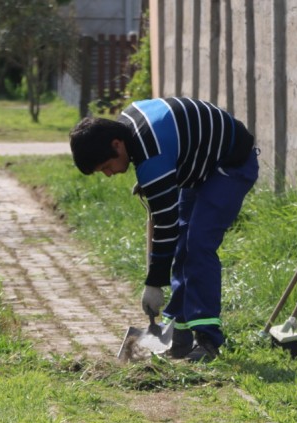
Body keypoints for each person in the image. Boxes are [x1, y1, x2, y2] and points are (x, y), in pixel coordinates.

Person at [69, 97, 258, 361]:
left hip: (230, 165)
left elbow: (165, 226)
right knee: (184, 245)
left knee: (198, 245)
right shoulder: (126, 125)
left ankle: (208, 339)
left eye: (106, 167)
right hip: (197, 167)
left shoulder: (151, 154)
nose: (109, 174)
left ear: (116, 144)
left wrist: (154, 283)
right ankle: (177, 331)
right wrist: (154, 182)